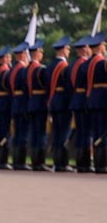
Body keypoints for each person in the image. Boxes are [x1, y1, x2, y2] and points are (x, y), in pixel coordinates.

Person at [46, 37, 74, 172]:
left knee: (57, 132)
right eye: (68, 49)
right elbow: (69, 86)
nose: (69, 51)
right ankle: (62, 163)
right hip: (63, 102)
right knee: (64, 132)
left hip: (54, 101)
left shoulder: (50, 66)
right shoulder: (64, 66)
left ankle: (57, 162)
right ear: (63, 50)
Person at [69, 35, 93, 172]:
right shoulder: (85, 65)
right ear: (85, 49)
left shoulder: (72, 65)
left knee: (80, 132)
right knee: (86, 132)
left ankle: (80, 163)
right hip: (85, 100)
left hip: (76, 99)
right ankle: (85, 163)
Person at [26, 39, 49, 171]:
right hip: (40, 103)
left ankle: (34, 161)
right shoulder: (40, 69)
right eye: (41, 52)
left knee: (34, 132)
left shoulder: (26, 70)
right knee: (40, 133)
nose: (42, 55)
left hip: (30, 102)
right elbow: (47, 86)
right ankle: (39, 162)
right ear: (37, 53)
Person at [85, 33, 107, 173]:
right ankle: (103, 164)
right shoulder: (102, 62)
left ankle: (99, 164)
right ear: (99, 47)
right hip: (103, 99)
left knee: (97, 132)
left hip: (92, 98)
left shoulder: (86, 63)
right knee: (103, 132)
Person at [8, 43, 31, 170]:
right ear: (22, 55)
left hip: (15, 103)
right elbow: (27, 87)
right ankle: (20, 161)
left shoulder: (12, 69)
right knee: (22, 133)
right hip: (22, 103)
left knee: (17, 133)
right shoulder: (22, 70)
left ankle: (16, 160)